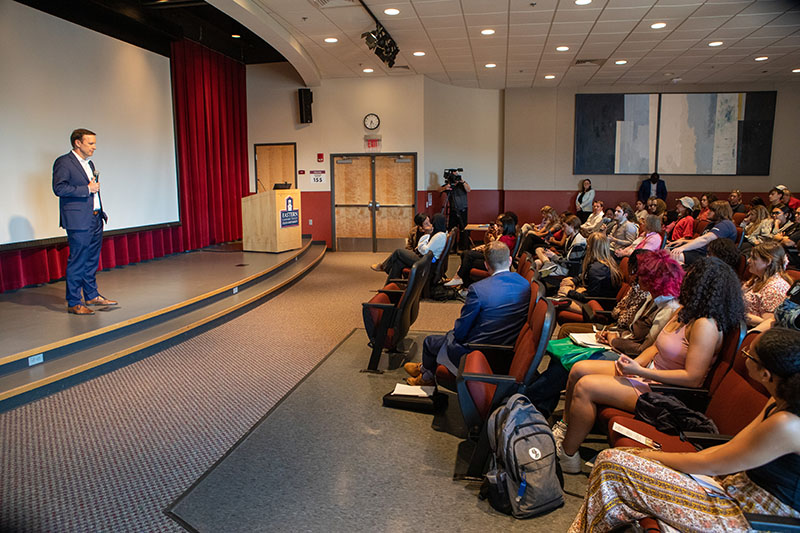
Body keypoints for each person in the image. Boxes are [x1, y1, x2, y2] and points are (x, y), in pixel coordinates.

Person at [568, 327, 800, 533]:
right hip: (736, 489)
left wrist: (649, 455)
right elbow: (733, 447)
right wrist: (646, 456)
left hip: (753, 517)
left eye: (748, 355)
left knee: (612, 464)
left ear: (765, 374)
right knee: (615, 463)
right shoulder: (778, 400)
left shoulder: (787, 424)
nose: (744, 354)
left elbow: (713, 464)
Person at [554, 256, 745, 474]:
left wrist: (640, 371)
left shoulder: (705, 325)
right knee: (579, 369)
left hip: (666, 392)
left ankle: (568, 455)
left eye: (689, 280)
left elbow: (693, 378)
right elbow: (656, 348)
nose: (683, 283)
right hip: (648, 374)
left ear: (702, 286)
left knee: (586, 387)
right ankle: (566, 428)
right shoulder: (684, 312)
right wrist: (634, 364)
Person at [404, 241, 530, 386]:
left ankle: (426, 376)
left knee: (430, 342)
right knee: (445, 338)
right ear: (510, 260)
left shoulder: (477, 289)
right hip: (507, 351)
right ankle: (425, 370)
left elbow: (461, 331)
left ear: (486, 265)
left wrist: (454, 335)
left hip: (477, 351)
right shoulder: (525, 284)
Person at [52, 128, 117, 315]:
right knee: (78, 260)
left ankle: (91, 295)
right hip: (78, 220)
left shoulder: (89, 163)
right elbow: (59, 188)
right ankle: (74, 302)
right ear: (77, 143)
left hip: (95, 217)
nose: (94, 147)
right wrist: (86, 189)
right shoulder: (64, 162)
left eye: (94, 143)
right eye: (90, 143)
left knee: (91, 260)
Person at [557, 232, 622, 314]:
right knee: (567, 280)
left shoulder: (597, 269)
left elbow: (590, 297)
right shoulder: (607, 261)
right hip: (596, 298)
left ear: (589, 247)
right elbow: (586, 277)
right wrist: (574, 281)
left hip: (598, 306)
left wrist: (569, 292)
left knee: (561, 301)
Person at [445, 214, 516, 289]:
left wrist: (491, 241)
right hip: (493, 257)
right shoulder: (507, 237)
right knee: (465, 254)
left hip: (495, 261)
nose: (498, 228)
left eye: (501, 226)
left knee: (468, 258)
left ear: (507, 226)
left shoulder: (505, 239)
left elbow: (494, 251)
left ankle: (461, 280)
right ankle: (463, 284)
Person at [371, 213, 447, 280]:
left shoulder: (437, 235)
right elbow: (409, 246)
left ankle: (384, 267)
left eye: (430, 222)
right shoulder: (415, 232)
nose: (430, 225)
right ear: (420, 226)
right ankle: (391, 287)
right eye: (426, 223)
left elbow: (425, 251)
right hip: (419, 255)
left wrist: (426, 234)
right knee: (398, 263)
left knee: (398, 252)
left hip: (425, 260)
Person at [668, 200, 737, 266]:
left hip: (708, 256)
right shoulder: (712, 224)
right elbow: (700, 240)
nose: (708, 212)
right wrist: (684, 241)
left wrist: (683, 248)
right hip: (698, 251)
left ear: (719, 212)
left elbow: (705, 239)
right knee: (666, 251)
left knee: (671, 256)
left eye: (711, 210)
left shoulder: (726, 224)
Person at [743, 242, 793, 327]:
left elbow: (768, 323)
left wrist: (740, 316)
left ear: (768, 261)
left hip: (750, 330)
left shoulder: (774, 289)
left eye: (754, 258)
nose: (748, 261)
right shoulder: (758, 278)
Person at [438, 170, 470, 250]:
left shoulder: (462, 184)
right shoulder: (448, 185)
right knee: (452, 229)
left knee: (463, 228)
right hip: (453, 210)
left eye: (456, 175)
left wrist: (462, 181)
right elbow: (439, 190)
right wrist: (445, 188)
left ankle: (463, 247)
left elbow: (468, 189)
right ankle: (452, 247)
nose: (455, 178)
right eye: (454, 176)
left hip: (463, 209)